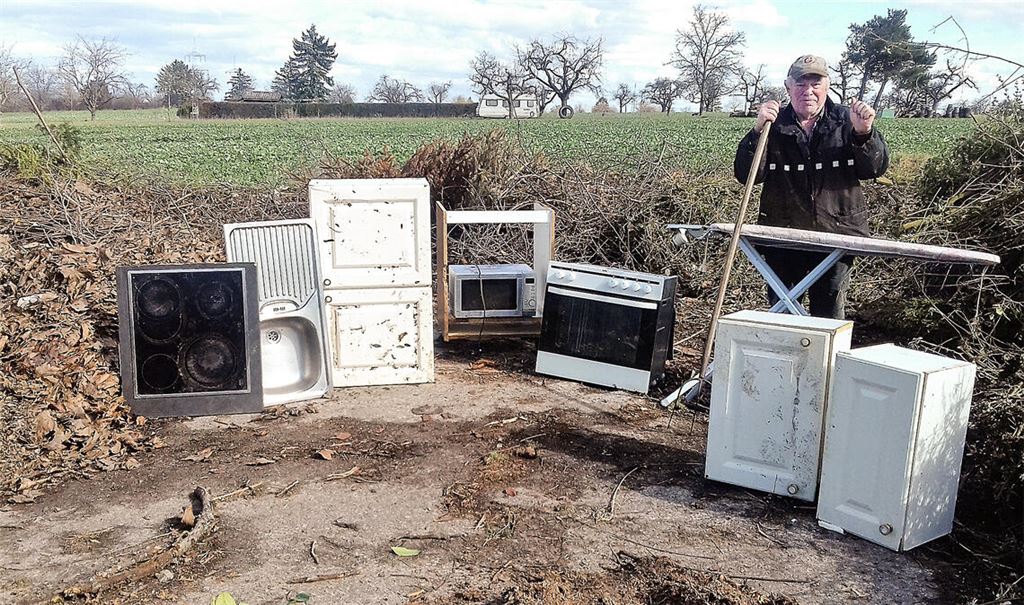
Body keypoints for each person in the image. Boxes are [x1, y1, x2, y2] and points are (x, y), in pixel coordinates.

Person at [733, 54, 890, 319]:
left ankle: (823, 348)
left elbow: (874, 169)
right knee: (782, 311)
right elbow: (747, 175)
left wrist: (864, 134)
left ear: (827, 86)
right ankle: (784, 347)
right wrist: (758, 132)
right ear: (788, 87)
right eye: (800, 84)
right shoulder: (773, 125)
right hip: (782, 236)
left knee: (828, 314)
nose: (808, 91)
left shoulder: (847, 120)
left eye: (815, 83)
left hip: (837, 234)